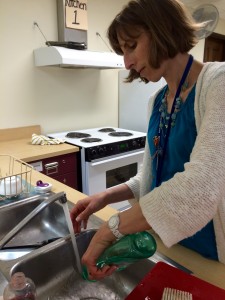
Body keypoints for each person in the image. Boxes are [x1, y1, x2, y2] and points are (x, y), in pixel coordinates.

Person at [70, 0, 225, 280]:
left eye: (131, 46)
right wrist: (106, 196)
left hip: (214, 257)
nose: (127, 62)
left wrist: (111, 228)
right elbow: (153, 177)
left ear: (162, 29)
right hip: (172, 244)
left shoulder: (218, 84)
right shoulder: (157, 101)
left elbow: (199, 189)